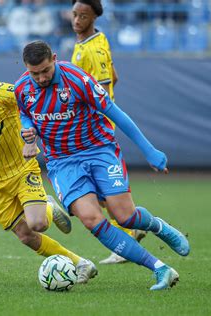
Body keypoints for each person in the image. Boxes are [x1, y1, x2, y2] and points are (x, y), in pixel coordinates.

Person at [15, 41, 190, 290]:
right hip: (63, 162)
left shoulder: (77, 79)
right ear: (26, 68)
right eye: (35, 73)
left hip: (99, 150)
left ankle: (159, 226)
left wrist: (148, 149)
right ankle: (160, 268)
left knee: (125, 216)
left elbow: (115, 112)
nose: (41, 78)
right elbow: (23, 113)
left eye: (45, 70)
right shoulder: (21, 88)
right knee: (91, 219)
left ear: (54, 58)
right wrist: (27, 129)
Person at [0, 55, 97, 284]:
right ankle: (81, 263)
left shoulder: (4, 92)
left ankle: (46, 205)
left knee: (38, 224)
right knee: (26, 236)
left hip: (22, 168)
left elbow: (34, 108)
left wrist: (31, 138)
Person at [70, 0, 146, 265]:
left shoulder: (93, 48)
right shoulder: (90, 42)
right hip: (89, 126)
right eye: (75, 14)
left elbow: (103, 86)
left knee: (102, 187)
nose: (77, 20)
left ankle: (128, 233)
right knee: (101, 190)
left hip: (95, 128)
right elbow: (115, 76)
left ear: (94, 18)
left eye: (83, 16)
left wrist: (92, 116)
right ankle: (131, 228)